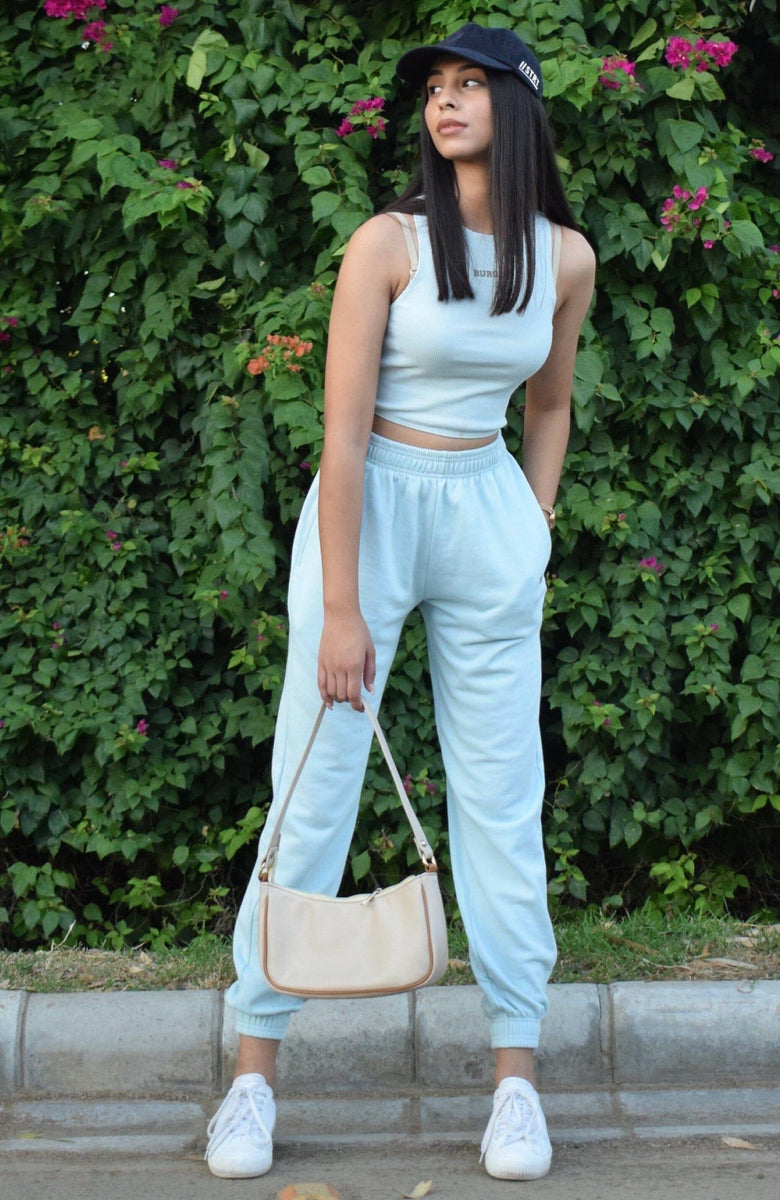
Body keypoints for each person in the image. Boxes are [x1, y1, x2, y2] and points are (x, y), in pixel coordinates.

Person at [204, 21, 596, 1183]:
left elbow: (551, 406)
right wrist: (341, 608)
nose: (445, 101)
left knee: (502, 796)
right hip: (368, 506)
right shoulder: (387, 243)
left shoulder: (565, 259)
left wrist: (534, 526)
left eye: (471, 84)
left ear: (518, 106)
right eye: (434, 87)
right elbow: (339, 433)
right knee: (314, 784)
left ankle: (517, 1085)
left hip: (487, 513)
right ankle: (250, 1080)